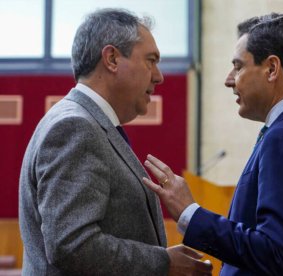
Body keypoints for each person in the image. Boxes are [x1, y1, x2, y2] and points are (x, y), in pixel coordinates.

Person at [142, 12, 283, 276]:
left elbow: (275, 254)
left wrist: (191, 213)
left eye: (238, 66)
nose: (229, 79)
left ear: (271, 69)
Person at [19, 8, 212, 276]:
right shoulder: (75, 127)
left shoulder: (87, 122)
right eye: (151, 60)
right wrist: (163, 263)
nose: (159, 76)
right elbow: (72, 245)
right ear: (111, 58)